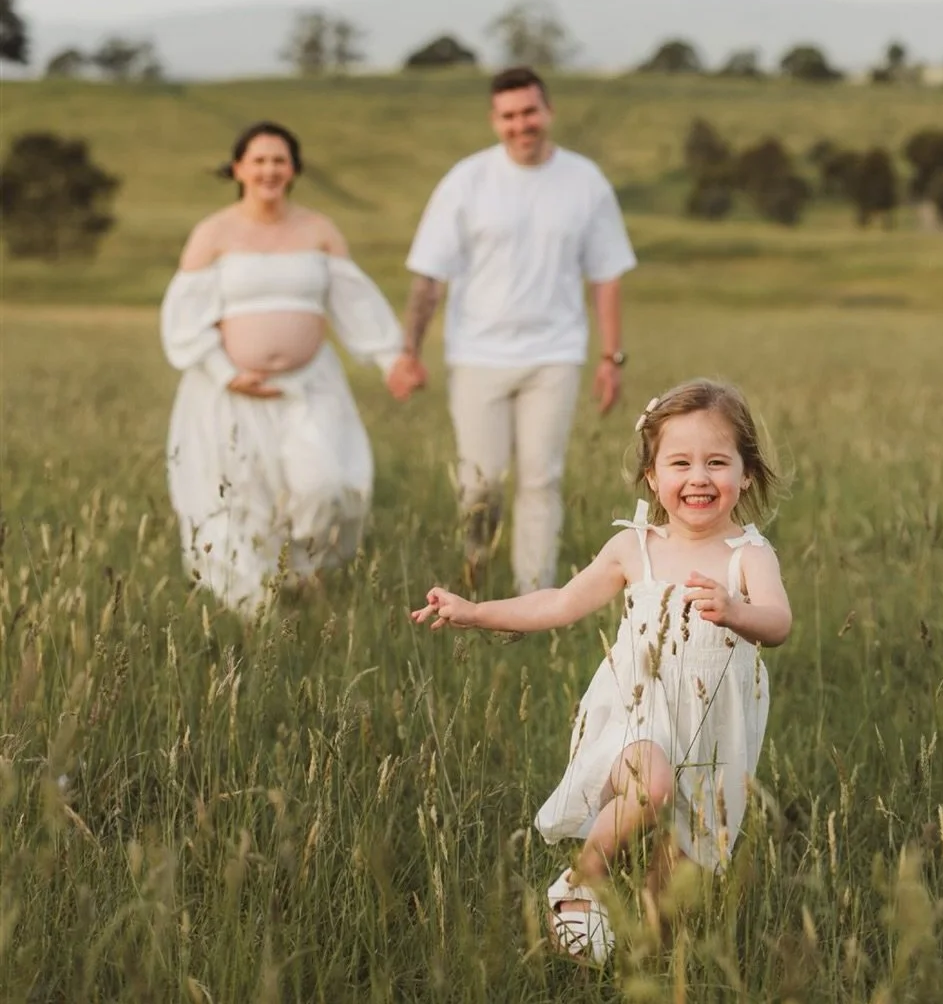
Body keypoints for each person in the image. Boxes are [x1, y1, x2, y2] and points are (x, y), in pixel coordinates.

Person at [412, 377, 791, 966]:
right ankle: (581, 878)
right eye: (680, 463)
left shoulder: (749, 555)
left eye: (717, 462)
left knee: (678, 879)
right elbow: (559, 603)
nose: (698, 477)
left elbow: (779, 622)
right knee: (650, 787)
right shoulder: (634, 548)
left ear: (745, 474)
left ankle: (638, 948)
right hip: (639, 713)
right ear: (652, 476)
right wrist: (475, 612)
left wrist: (737, 611)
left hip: (716, 728)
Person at [393, 66, 637, 593]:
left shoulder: (584, 182)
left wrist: (611, 359)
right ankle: (476, 567)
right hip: (478, 355)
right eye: (509, 116)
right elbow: (430, 276)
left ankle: (536, 595)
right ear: (494, 120)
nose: (520, 124)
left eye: (529, 112)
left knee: (541, 478)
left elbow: (606, 275)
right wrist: (408, 352)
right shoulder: (466, 182)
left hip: (555, 353)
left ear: (548, 111)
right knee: (480, 483)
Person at [161, 121, 420, 615]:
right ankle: (253, 607)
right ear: (238, 168)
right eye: (258, 160)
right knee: (242, 499)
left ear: (295, 169)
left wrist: (391, 359)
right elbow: (184, 320)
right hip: (229, 391)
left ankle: (305, 573)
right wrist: (226, 372)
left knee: (325, 485)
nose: (269, 170)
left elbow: (353, 302)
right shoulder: (213, 233)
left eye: (279, 160)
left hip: (309, 387)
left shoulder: (318, 230)